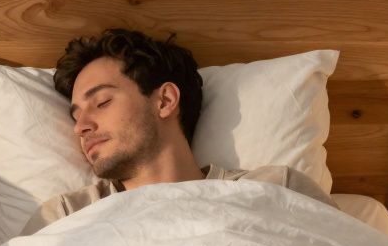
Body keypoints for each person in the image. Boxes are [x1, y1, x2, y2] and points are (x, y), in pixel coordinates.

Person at [20, 28, 334, 235]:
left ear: (166, 100)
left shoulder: (278, 190)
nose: (80, 127)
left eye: (101, 102)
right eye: (75, 116)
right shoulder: (66, 216)